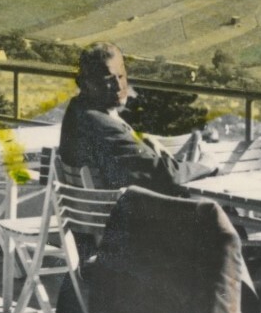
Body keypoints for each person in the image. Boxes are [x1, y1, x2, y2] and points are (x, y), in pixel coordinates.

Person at [58, 43, 216, 197]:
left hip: (94, 214)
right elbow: (165, 174)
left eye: (121, 76)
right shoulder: (101, 124)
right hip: (122, 216)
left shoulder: (77, 109)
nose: (119, 86)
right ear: (87, 83)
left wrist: (138, 138)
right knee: (211, 211)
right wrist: (205, 165)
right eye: (108, 80)